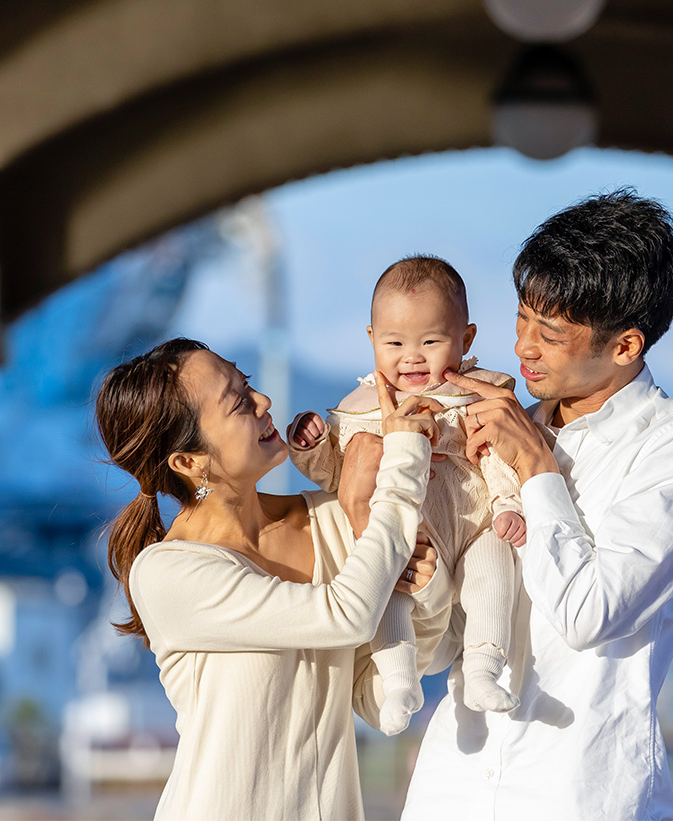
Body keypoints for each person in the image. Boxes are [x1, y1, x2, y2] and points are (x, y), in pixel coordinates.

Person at [400, 190, 673, 819]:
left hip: (582, 791)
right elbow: (436, 650)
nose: (524, 346)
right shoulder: (487, 425)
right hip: (453, 784)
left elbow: (590, 614)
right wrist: (421, 583)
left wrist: (535, 466)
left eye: (551, 332)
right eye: (523, 318)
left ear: (625, 346)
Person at [95, 338, 450, 820]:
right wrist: (396, 472)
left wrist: (425, 593)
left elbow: (375, 696)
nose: (263, 402)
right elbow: (347, 616)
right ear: (188, 462)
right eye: (239, 402)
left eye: (249, 386)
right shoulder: (166, 572)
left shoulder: (331, 518)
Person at [288, 256, 526, 735]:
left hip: (478, 523)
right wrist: (309, 445)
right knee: (388, 592)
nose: (412, 357)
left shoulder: (483, 395)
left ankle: (483, 667)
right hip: (411, 534)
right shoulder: (358, 411)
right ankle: (397, 682)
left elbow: (501, 456)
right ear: (372, 338)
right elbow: (335, 474)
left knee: (494, 570)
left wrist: (508, 504)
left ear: (467, 339)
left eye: (431, 341)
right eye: (394, 342)